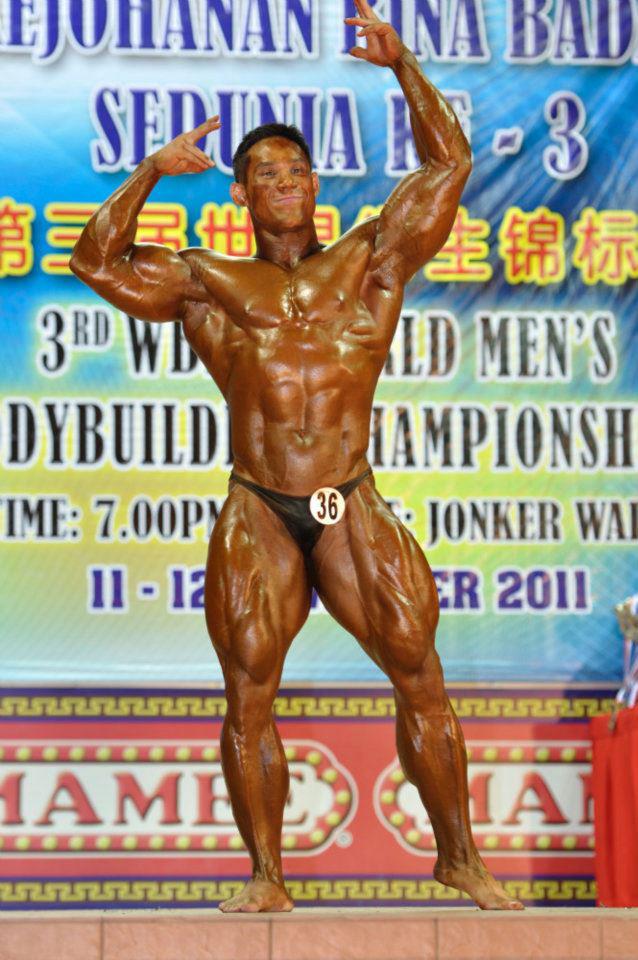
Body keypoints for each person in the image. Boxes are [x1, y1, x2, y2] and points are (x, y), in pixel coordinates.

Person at [71, 0, 523, 914]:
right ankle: (267, 878)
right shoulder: (206, 282)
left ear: (316, 183)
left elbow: (450, 165)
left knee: (419, 670)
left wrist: (403, 66)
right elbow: (96, 263)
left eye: (295, 169)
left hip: (348, 500)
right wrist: (151, 171)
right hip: (260, 506)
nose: (283, 180)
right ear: (240, 194)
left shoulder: (371, 260)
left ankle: (460, 859)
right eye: (264, 173)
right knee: (249, 690)